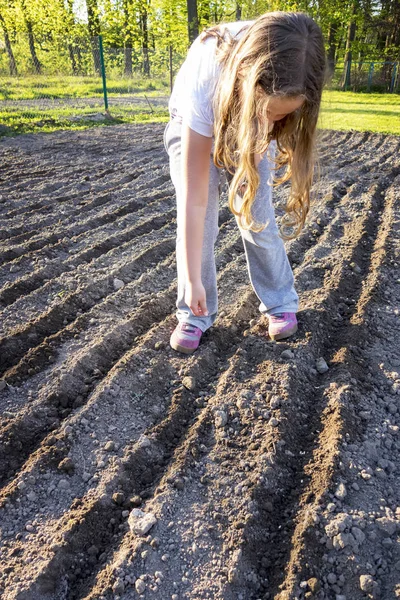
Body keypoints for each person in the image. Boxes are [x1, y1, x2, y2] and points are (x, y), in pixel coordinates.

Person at [163, 11, 326, 354]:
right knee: (201, 220)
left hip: (245, 109)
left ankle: (280, 302)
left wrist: (259, 137)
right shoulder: (206, 73)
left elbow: (254, 166)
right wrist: (192, 281)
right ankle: (193, 311)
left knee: (257, 211)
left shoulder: (294, 64)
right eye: (268, 111)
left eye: (282, 115)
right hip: (196, 123)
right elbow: (194, 201)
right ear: (249, 83)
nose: (273, 122)